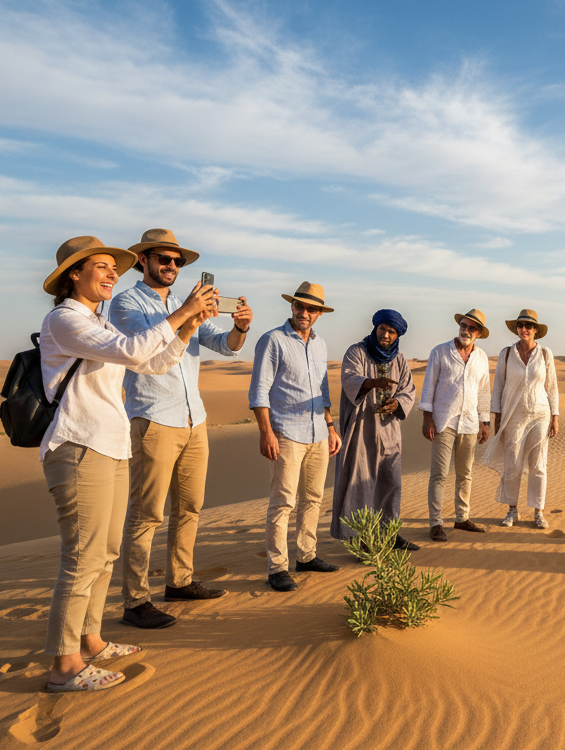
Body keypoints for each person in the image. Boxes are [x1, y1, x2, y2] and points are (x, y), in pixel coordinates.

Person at [38, 236, 214, 691]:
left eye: (114, 267)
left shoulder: (97, 321)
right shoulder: (65, 320)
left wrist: (188, 327)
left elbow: (153, 364)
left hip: (112, 446)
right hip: (79, 446)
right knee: (82, 557)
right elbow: (137, 350)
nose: (112, 273)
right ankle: (63, 664)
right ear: (74, 274)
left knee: (106, 553)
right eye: (102, 266)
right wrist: (178, 314)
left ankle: (92, 640)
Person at [111, 229, 254, 630]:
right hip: (154, 417)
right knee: (146, 513)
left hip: (194, 419)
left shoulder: (181, 301)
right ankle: (135, 600)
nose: (171, 266)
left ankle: (180, 581)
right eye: (163, 259)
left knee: (189, 507)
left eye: (177, 261)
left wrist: (240, 326)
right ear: (144, 261)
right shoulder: (126, 303)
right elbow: (144, 348)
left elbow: (225, 346)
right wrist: (189, 311)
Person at [248, 283, 341, 592]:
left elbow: (323, 390)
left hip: (317, 432)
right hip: (286, 433)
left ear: (319, 314)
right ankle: (277, 567)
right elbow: (259, 391)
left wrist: (330, 427)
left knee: (313, 498)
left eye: (311, 309)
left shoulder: (320, 345)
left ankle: (307, 554)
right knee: (283, 502)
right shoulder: (273, 340)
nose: (305, 313)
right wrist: (267, 433)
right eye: (300, 306)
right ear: (292, 307)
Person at [331, 310, 417, 549]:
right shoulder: (357, 352)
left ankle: (390, 533)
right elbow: (349, 379)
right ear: (375, 328)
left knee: (391, 483)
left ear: (397, 335)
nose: (385, 335)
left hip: (390, 430)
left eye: (391, 331)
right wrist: (372, 383)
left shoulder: (398, 359)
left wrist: (397, 402)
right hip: (361, 429)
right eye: (382, 329)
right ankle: (361, 539)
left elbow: (408, 389)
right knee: (361, 484)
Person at [420, 309, 492, 542]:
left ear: (478, 333)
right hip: (444, 421)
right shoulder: (440, 352)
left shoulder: (481, 357)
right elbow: (429, 386)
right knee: (439, 474)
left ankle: (462, 518)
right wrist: (427, 418)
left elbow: (483, 392)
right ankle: (435, 522)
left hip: (470, 423)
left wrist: (485, 422)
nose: (466, 330)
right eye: (464, 325)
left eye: (472, 328)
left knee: (465, 474)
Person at [485, 309, 559, 529]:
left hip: (540, 414)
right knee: (513, 463)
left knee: (538, 464)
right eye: (520, 326)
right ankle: (512, 510)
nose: (524, 329)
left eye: (528, 326)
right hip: (513, 414)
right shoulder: (507, 354)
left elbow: (552, 387)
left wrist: (555, 416)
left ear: (536, 330)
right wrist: (496, 415)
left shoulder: (545, 354)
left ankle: (538, 511)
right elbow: (498, 385)